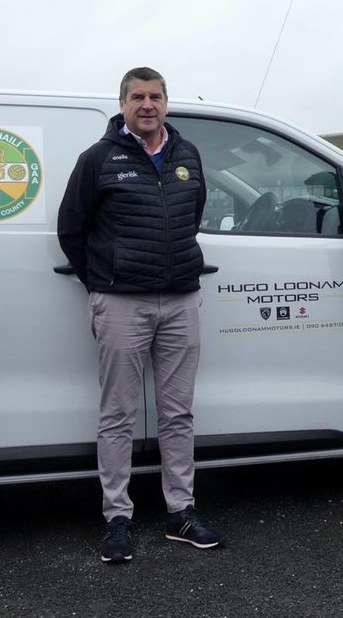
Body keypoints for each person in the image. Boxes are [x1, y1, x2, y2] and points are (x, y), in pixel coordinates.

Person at [57, 66, 223, 564]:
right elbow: (72, 229)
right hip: (121, 302)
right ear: (123, 104)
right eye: (137, 97)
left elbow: (192, 215)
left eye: (154, 97)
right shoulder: (99, 159)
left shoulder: (186, 155)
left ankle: (181, 511)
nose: (146, 105)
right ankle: (117, 518)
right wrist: (104, 282)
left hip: (179, 300)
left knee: (178, 413)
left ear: (166, 102)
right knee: (118, 415)